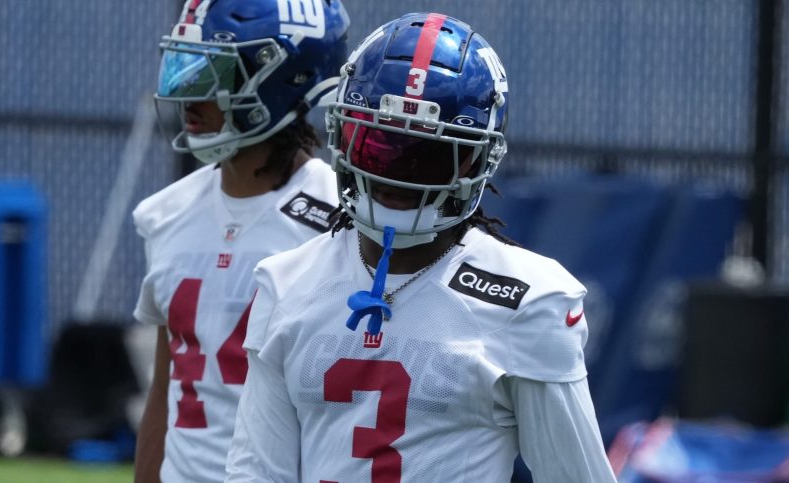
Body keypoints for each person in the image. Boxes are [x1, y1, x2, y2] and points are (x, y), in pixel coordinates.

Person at [226, 12, 617, 482]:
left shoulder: (529, 298)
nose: (395, 174)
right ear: (343, 138)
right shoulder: (286, 281)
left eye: (425, 155)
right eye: (377, 145)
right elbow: (257, 474)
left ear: (477, 159)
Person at [132, 0, 350, 481]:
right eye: (184, 64)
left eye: (214, 70)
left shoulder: (342, 221)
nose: (188, 91)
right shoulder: (166, 214)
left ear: (282, 79)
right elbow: (166, 386)